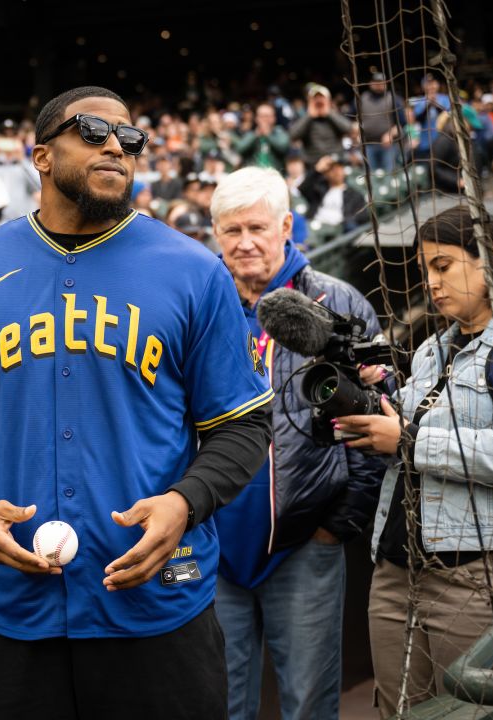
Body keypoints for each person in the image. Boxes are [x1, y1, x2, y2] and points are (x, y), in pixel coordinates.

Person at [0, 85, 273, 719]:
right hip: (16, 611)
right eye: (93, 132)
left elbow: (243, 425)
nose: (116, 147)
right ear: (40, 156)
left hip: (156, 606)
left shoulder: (193, 271)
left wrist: (185, 502)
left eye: (130, 138)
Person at [334, 206, 493, 717]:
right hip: (395, 568)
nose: (431, 283)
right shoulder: (429, 350)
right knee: (398, 709)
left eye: (443, 266)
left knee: (470, 711)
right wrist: (366, 416)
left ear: (488, 259)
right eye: (425, 270)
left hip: (478, 574)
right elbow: (405, 450)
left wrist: (404, 438)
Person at [209, 167, 386, 720]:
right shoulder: (197, 305)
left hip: (307, 541)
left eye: (257, 228)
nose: (244, 243)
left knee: (309, 704)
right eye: (231, 231)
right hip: (211, 542)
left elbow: (379, 418)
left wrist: (338, 525)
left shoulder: (338, 303)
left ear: (287, 225)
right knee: (219, 702)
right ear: (215, 234)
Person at [299, 153, 367, 232]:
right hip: (316, 227)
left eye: (339, 168)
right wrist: (317, 170)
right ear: (326, 174)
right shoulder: (319, 191)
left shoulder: (354, 194)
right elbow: (303, 189)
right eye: (332, 169)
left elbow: (362, 216)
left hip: (339, 230)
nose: (336, 172)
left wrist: (344, 222)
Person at [288, 85, 352, 165]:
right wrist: (309, 115)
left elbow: (348, 128)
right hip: (312, 164)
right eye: (315, 98)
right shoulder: (304, 117)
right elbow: (293, 135)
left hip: (335, 161)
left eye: (321, 97)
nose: (318, 100)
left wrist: (329, 113)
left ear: (328, 100)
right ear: (309, 101)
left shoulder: (334, 115)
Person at [357, 72, 405, 173]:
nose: (378, 85)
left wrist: (390, 134)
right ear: (370, 83)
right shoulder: (362, 98)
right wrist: (356, 131)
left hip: (388, 145)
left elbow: (402, 123)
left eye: (381, 82)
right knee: (370, 175)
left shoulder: (394, 98)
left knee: (389, 175)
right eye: (376, 82)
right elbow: (352, 118)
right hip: (368, 145)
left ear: (386, 83)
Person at [234, 103, 292, 171]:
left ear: (274, 118)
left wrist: (268, 135)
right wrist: (255, 135)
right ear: (256, 118)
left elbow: (283, 148)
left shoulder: (279, 132)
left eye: (267, 116)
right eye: (261, 116)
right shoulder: (250, 134)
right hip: (253, 175)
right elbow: (239, 149)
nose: (264, 119)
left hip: (275, 174)